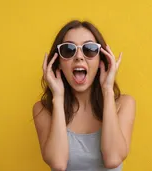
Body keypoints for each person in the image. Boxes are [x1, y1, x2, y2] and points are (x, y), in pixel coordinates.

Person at [33, 20, 136, 171]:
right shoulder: (43, 110)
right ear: (58, 62)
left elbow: (113, 159)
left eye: (89, 49)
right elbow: (58, 164)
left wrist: (107, 89)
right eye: (69, 50)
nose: (79, 57)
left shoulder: (124, 104)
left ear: (102, 59)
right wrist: (58, 97)